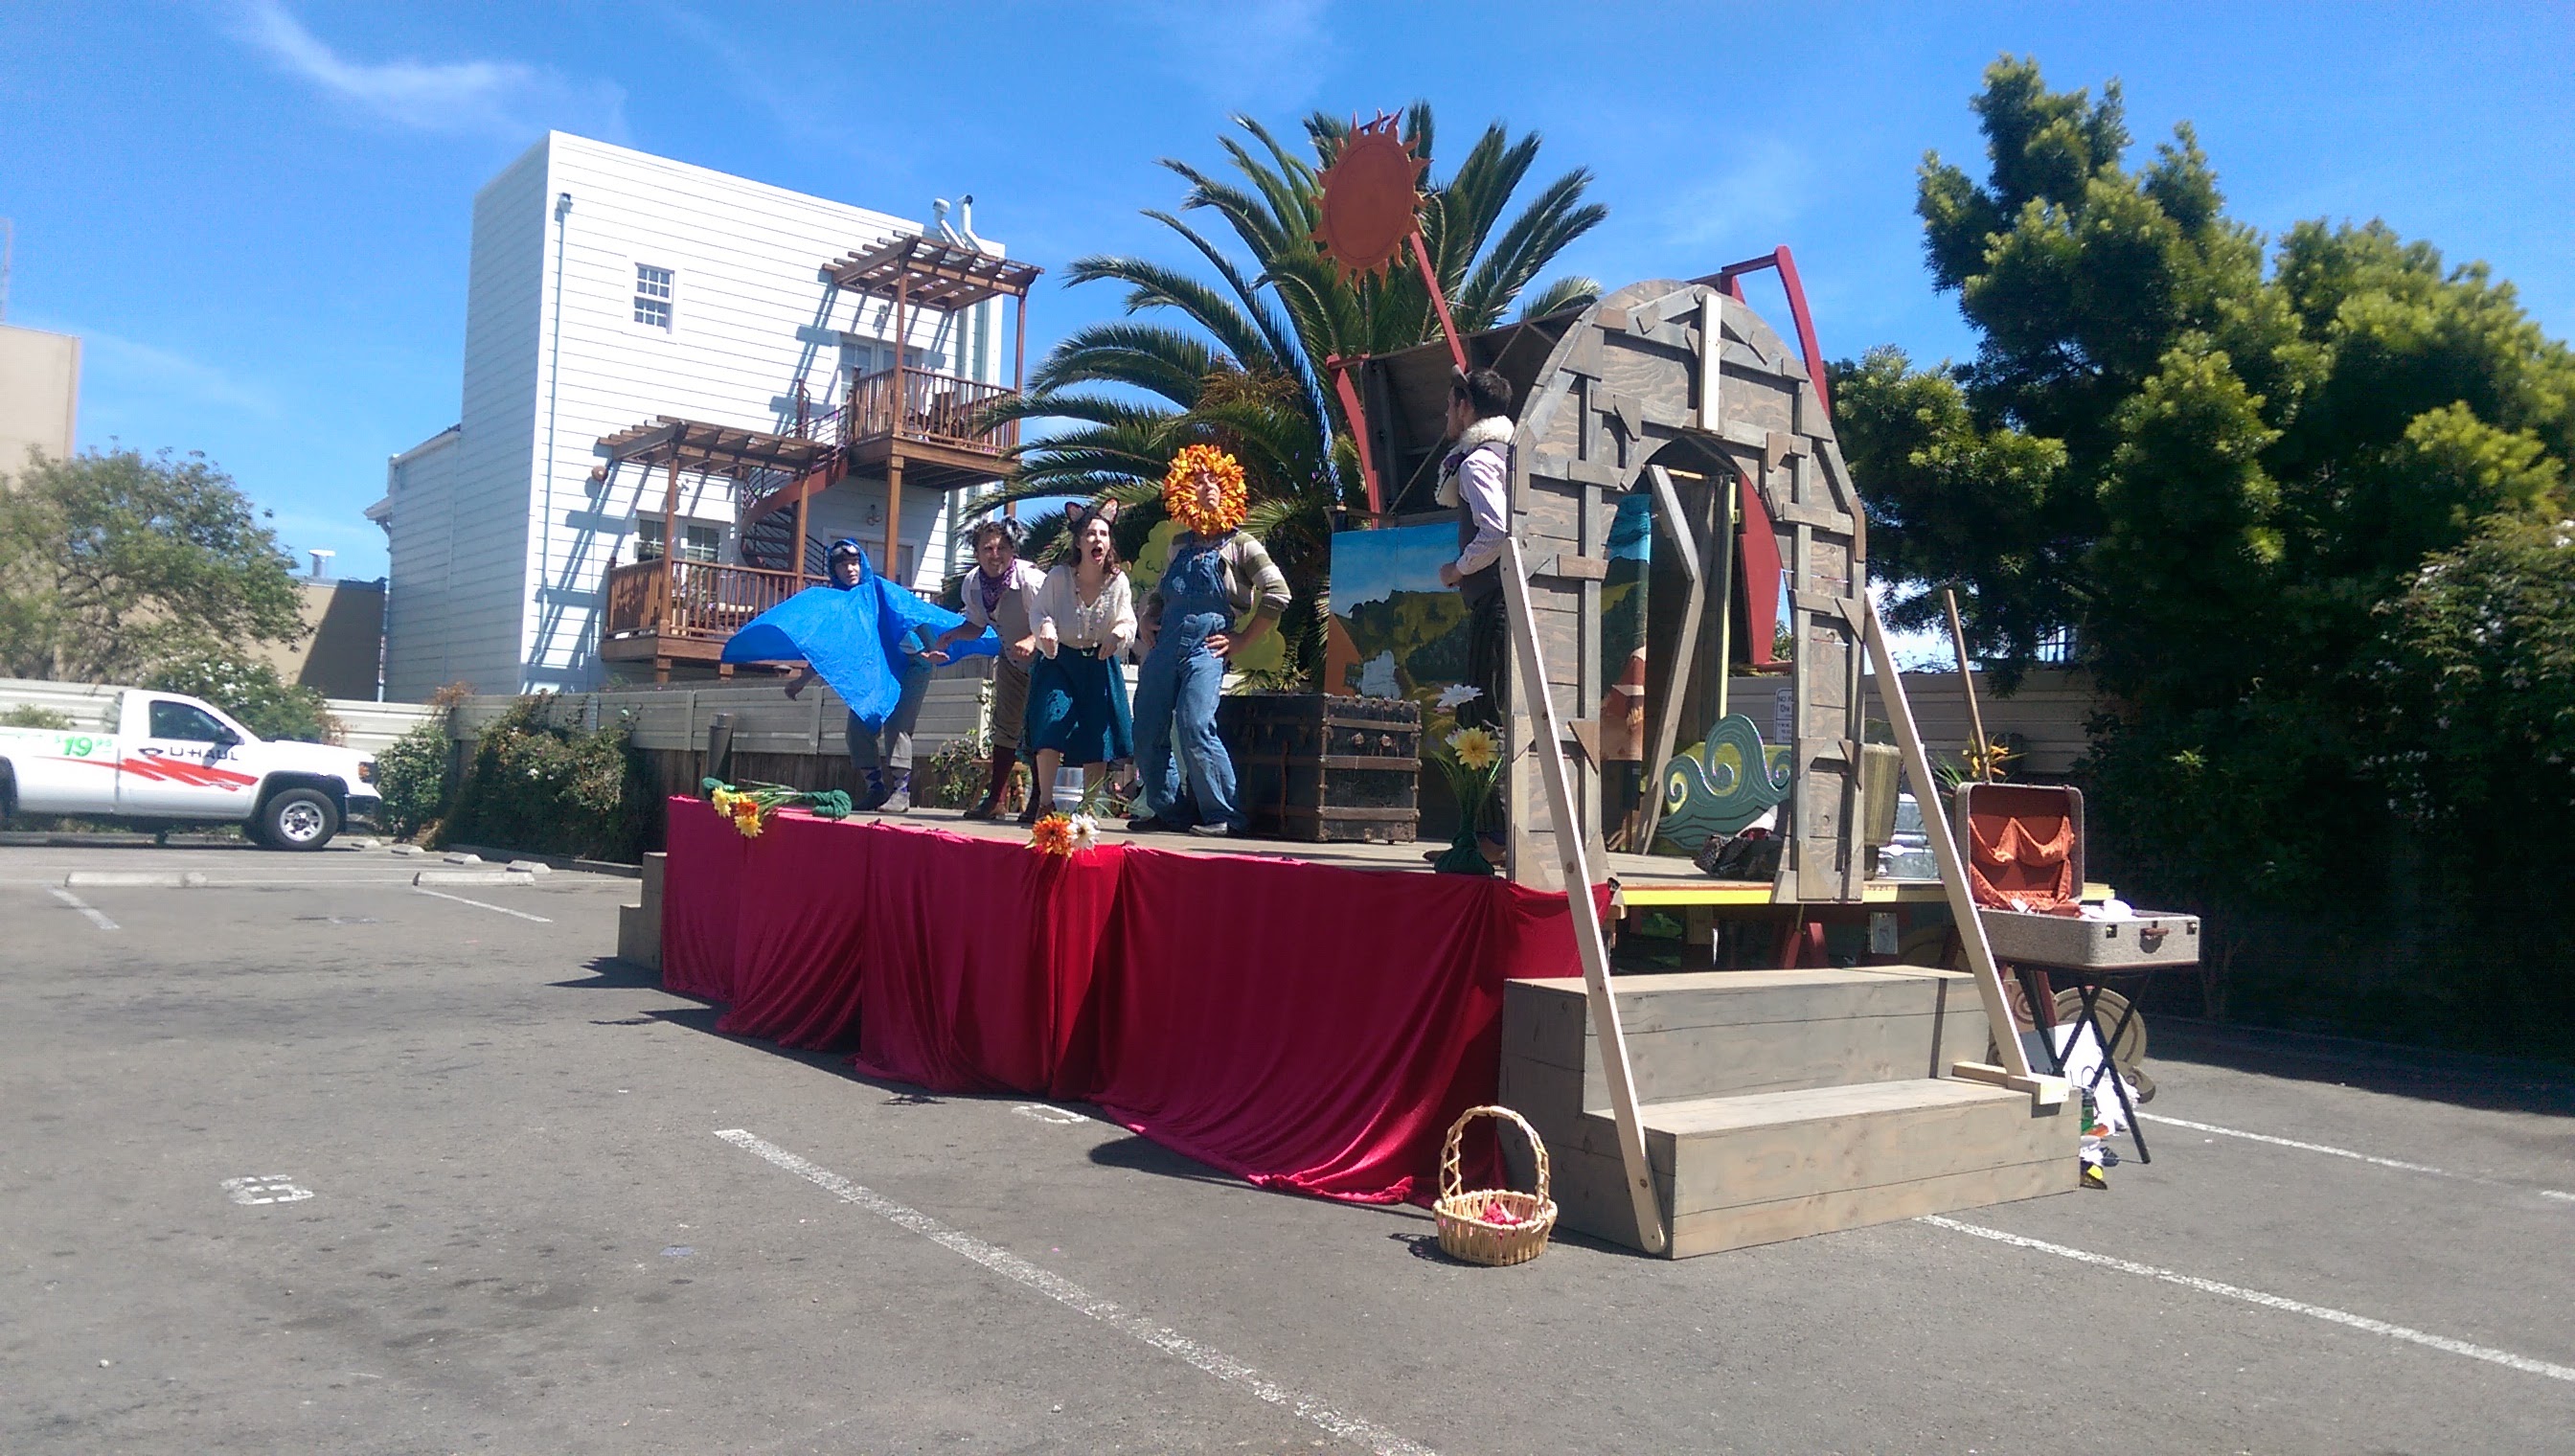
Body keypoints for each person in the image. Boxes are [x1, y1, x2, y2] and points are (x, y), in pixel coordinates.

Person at [1128, 445, 1289, 837]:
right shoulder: (1178, 545)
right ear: (1183, 491)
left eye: (1216, 480)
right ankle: (1169, 811)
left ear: (1229, 488)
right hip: (1166, 645)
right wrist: (1148, 617)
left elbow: (1278, 593)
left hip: (1207, 645)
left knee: (1195, 722)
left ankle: (1225, 815)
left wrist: (1241, 641)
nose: (1208, 487)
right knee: (1146, 725)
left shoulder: (1242, 544)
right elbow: (1161, 594)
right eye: (1198, 481)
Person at [784, 537, 944, 813]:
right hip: (878, 669)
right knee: (859, 726)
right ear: (834, 570)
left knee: (896, 723)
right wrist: (801, 681)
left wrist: (926, 653)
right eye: (843, 565)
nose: (850, 569)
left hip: (912, 663)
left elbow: (909, 620)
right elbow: (828, 649)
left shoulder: (880, 591)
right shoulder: (840, 605)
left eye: (854, 562)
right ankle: (875, 790)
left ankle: (901, 792)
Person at [1436, 367, 1515, 864]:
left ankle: (1497, 837)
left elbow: (1497, 532)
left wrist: (1457, 569)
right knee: (1488, 711)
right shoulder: (1511, 456)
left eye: (1451, 404)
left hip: (1497, 600)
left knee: (1484, 715)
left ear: (1466, 408)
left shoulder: (1479, 462)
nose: (1446, 414)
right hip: (1509, 600)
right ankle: (1492, 834)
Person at [1024, 502, 1138, 822]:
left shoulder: (1118, 581)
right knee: (1050, 722)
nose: (1097, 539)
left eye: (1103, 533)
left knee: (1097, 734)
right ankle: (1046, 803)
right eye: (1089, 534)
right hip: (1059, 661)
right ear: (1078, 542)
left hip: (1098, 663)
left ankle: (1088, 807)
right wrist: (1046, 629)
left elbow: (1127, 620)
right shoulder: (1059, 577)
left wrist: (1117, 634)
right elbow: (1040, 612)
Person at [924, 518, 1045, 820]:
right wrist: (953, 635)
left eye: (1001, 548)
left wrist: (1033, 639)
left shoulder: (1030, 579)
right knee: (1004, 728)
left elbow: (1054, 618)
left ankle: (1040, 800)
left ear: (1013, 550)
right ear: (977, 553)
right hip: (1011, 661)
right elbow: (977, 626)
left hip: (1047, 663)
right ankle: (996, 801)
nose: (995, 555)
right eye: (987, 549)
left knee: (1040, 729)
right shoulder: (974, 584)